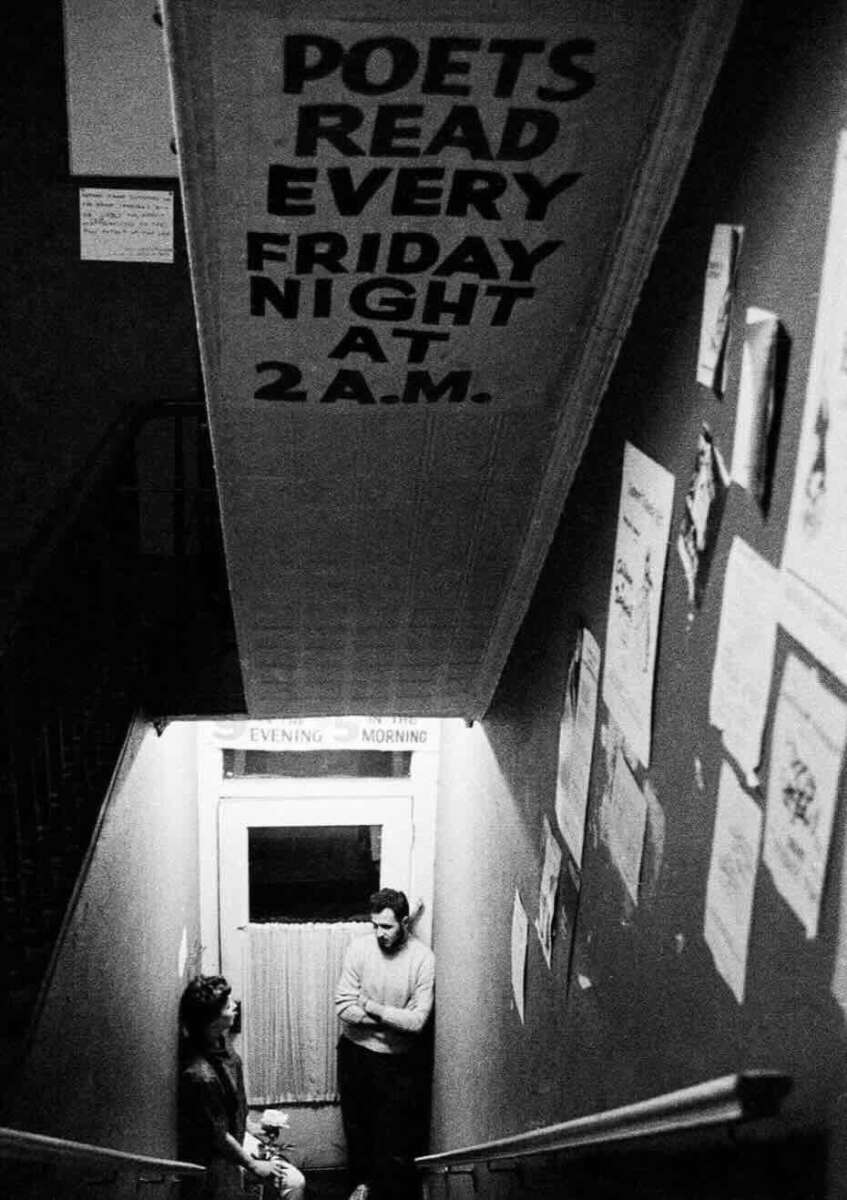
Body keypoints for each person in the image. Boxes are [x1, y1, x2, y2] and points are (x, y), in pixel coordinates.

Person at [335, 888, 435, 1200]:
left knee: (393, 1136)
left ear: (404, 922)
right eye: (375, 925)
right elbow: (344, 1007)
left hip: (397, 1061)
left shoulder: (422, 959)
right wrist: (394, 1018)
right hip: (354, 1053)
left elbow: (417, 1023)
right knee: (357, 1127)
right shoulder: (359, 949)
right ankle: (361, 1186)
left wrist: (370, 1006)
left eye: (387, 927)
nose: (379, 933)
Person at [178, 974, 306, 1200]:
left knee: (294, 1180)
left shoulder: (219, 1041)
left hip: (235, 1137)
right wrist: (254, 1165)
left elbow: (228, 1104)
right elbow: (217, 1134)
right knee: (286, 1183)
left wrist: (250, 1126)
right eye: (228, 1006)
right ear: (212, 1020)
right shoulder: (201, 1075)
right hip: (216, 1157)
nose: (235, 1005)